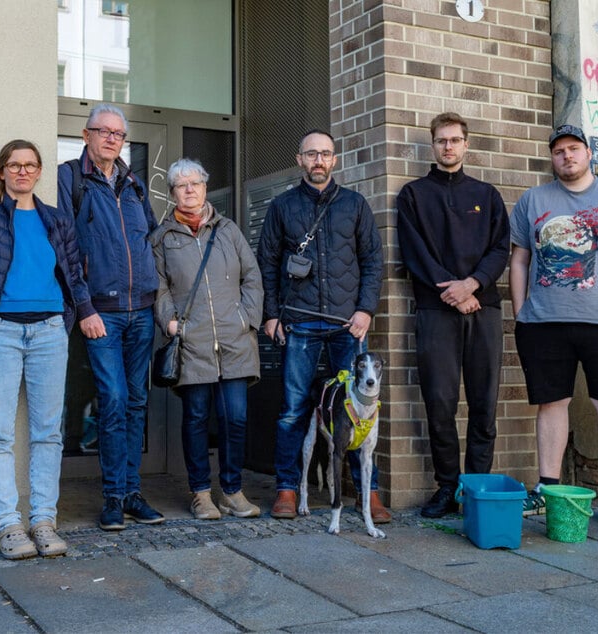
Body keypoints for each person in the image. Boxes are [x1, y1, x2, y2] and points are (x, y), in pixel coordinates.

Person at [0, 139, 95, 559]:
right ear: (2, 172)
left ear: (39, 172)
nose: (23, 172)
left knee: (48, 433)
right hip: (1, 334)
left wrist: (71, 315)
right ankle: (9, 526)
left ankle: (44, 521)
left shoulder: (56, 221)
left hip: (49, 332)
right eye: (15, 165)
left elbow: (74, 276)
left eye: (30, 165)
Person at [509, 124, 598, 532]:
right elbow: (519, 260)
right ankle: (547, 487)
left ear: (589, 154)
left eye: (574, 149)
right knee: (551, 403)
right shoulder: (533, 200)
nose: (566, 156)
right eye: (559, 151)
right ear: (552, 158)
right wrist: (522, 313)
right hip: (545, 324)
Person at [257, 129, 388, 522]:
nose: (318, 160)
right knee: (294, 409)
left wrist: (365, 310)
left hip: (348, 325)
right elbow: (266, 263)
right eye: (311, 154)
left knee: (357, 411)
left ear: (335, 160)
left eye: (325, 154)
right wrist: (271, 314)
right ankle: (287, 488)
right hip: (298, 324)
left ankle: (369, 492)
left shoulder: (355, 204)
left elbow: (372, 261)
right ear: (300, 159)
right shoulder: (282, 206)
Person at [396, 113, 510, 518]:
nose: (449, 146)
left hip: (484, 309)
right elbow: (415, 253)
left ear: (466, 145)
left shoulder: (487, 194)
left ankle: (475, 487)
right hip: (436, 310)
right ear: (433, 146)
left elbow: (501, 249)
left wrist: (474, 284)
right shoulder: (413, 195)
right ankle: (447, 486)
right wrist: (454, 291)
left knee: (484, 403)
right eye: (442, 140)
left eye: (455, 140)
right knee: (440, 402)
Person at [57, 104, 165, 530]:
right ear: (86, 135)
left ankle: (134, 493)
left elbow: (150, 241)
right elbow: (64, 249)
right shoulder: (71, 178)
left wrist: (158, 300)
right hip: (101, 312)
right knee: (115, 400)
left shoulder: (134, 184)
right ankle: (113, 498)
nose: (110, 138)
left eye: (118, 133)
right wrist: (83, 307)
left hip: (141, 311)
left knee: (137, 401)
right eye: (102, 131)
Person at [151, 159, 264, 520]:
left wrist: (246, 318)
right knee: (196, 418)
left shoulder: (228, 230)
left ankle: (232, 491)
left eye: (195, 183)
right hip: (192, 341)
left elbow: (252, 277)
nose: (189, 190)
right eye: (181, 185)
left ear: (205, 187)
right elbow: (159, 287)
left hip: (234, 340)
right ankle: (201, 493)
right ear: (172, 193)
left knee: (237, 418)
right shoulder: (163, 238)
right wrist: (170, 323)